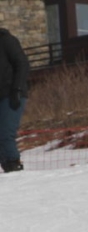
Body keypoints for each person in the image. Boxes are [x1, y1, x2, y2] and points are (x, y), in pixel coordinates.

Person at [0, 27, 29, 173]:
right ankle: (7, 165)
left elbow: (22, 64)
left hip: (11, 94)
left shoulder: (7, 41)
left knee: (5, 133)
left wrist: (17, 89)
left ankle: (13, 163)